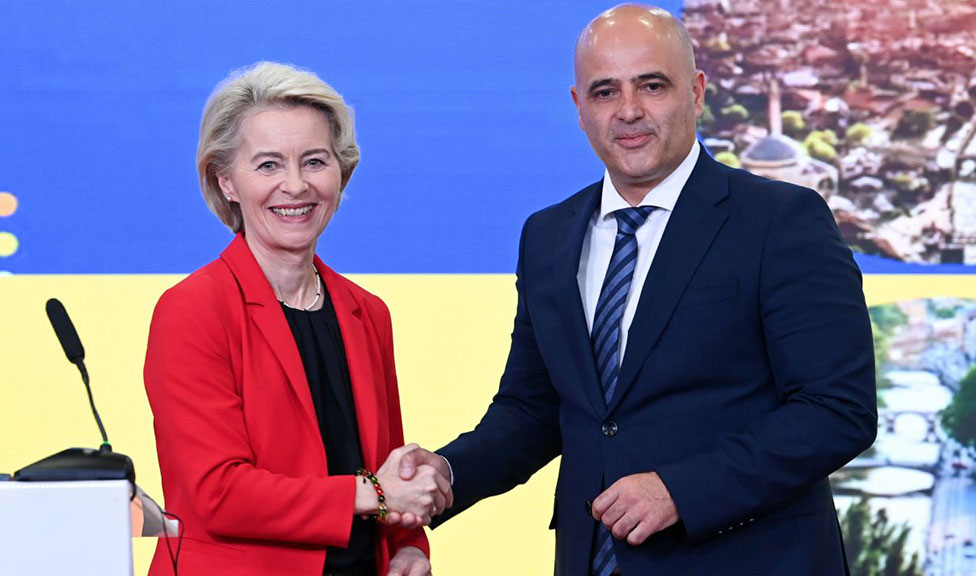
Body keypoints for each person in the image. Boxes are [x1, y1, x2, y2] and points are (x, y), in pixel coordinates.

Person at [392, 5, 877, 575]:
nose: (628, 111)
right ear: (578, 107)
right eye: (605, 92)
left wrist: (681, 490)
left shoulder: (781, 220)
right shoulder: (547, 235)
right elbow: (534, 409)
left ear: (697, 92)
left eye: (652, 86)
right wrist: (448, 472)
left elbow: (835, 409)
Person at [144, 62, 447, 576]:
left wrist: (409, 546)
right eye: (268, 165)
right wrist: (373, 493)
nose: (295, 185)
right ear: (226, 181)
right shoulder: (192, 309)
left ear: (340, 173)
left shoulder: (367, 312)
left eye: (314, 161)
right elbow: (219, 493)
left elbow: (386, 473)